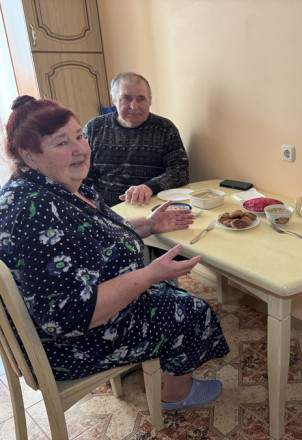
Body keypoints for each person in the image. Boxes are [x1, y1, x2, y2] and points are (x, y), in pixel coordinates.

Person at [0, 96, 229, 409]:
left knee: (168, 289)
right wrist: (149, 274)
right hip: (67, 344)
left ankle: (147, 356)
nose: (80, 149)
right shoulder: (35, 211)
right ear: (29, 154)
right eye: (62, 142)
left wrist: (148, 224)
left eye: (79, 136)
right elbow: (69, 316)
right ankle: (176, 394)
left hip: (80, 317)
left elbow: (96, 232)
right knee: (192, 311)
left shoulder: (54, 185)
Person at [83, 72, 189, 206]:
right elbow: (82, 174)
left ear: (150, 101)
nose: (134, 106)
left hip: (150, 207)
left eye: (141, 99)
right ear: (114, 100)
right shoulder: (94, 128)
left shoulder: (165, 129)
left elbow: (180, 172)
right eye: (126, 98)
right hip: (105, 209)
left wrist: (150, 187)